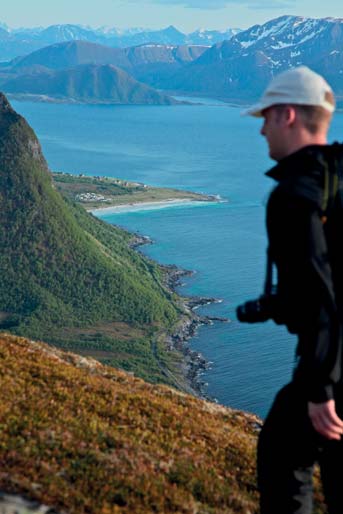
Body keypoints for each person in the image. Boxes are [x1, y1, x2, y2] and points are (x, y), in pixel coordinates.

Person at [238, 66, 343, 513]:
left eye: (265, 116)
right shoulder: (336, 178)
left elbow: (322, 294)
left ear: (288, 115)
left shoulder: (295, 193)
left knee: (283, 458)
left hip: (331, 369)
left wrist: (321, 388)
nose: (261, 129)